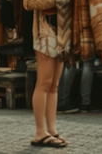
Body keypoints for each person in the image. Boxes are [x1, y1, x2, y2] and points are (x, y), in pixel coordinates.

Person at [32, 11, 66, 148]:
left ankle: (51, 129)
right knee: (44, 82)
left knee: (54, 84)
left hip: (62, 28)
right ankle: (40, 132)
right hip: (45, 27)